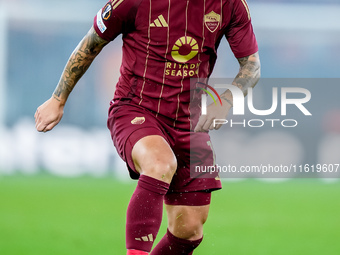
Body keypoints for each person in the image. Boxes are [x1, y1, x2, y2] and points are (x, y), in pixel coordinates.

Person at [34, 0, 260, 254]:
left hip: (189, 123)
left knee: (189, 230)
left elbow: (252, 65)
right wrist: (58, 99)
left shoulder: (229, 4)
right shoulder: (133, 2)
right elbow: (91, 43)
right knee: (159, 162)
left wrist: (227, 102)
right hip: (135, 109)